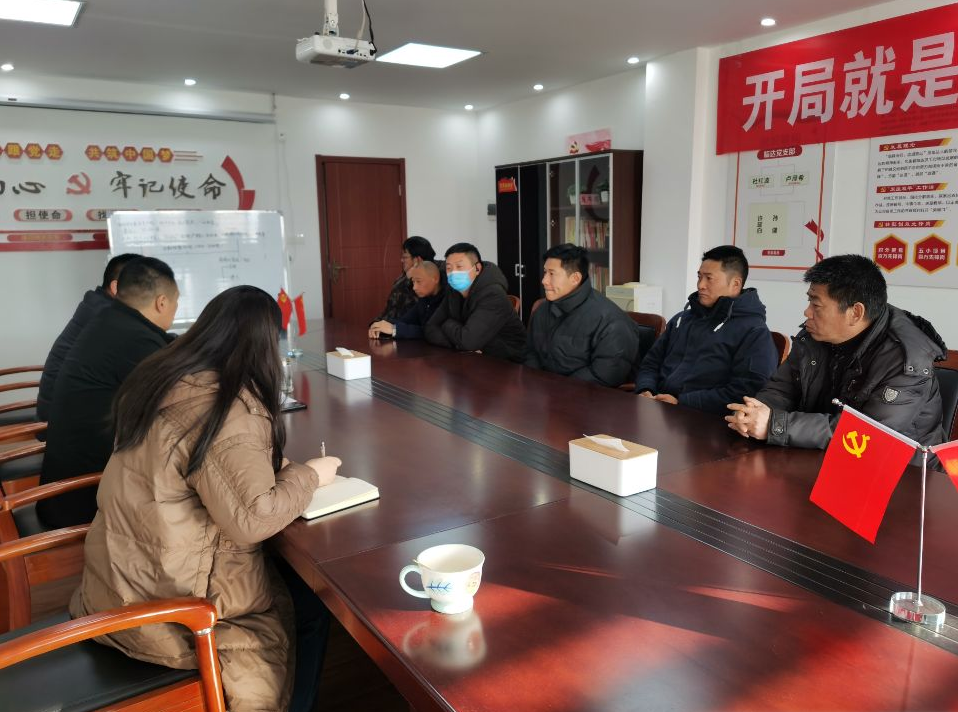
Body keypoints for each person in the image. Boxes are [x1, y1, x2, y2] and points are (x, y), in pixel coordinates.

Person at [70, 285, 339, 712]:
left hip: (119, 584)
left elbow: (205, 468)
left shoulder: (163, 379)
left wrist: (268, 468)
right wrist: (310, 476)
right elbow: (253, 519)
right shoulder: (224, 406)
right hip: (171, 616)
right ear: (265, 344)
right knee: (312, 602)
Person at [726, 254, 946, 452]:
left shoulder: (906, 360)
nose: (807, 312)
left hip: (905, 471)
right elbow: (782, 389)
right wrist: (754, 413)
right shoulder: (814, 336)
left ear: (855, 313)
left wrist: (775, 425)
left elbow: (870, 435)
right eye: (809, 301)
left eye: (816, 305)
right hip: (821, 455)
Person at [37, 256, 179, 528]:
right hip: (85, 499)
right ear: (162, 302)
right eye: (176, 302)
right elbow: (178, 402)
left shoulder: (111, 320)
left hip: (68, 488)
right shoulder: (135, 339)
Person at [634, 245, 778, 414]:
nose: (700, 285)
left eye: (709, 278)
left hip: (703, 417)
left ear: (735, 284)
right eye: (699, 277)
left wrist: (682, 402)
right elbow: (651, 363)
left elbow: (747, 392)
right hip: (658, 408)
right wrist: (646, 389)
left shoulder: (754, 332)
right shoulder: (682, 319)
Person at [37, 252, 140, 421]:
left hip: (63, 407)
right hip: (65, 421)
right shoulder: (105, 315)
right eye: (145, 286)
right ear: (116, 288)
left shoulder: (99, 305)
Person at [526, 243, 641, 387]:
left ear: (575, 278)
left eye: (552, 274)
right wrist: (536, 382)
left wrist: (556, 387)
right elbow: (531, 352)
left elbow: (604, 376)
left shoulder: (612, 322)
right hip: (544, 391)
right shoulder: (542, 310)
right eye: (545, 272)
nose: (544, 281)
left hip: (586, 396)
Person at [424, 242, 526, 362]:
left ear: (477, 268)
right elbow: (430, 328)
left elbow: (468, 341)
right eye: (449, 268)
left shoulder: (493, 295)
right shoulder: (454, 291)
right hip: (474, 358)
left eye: (459, 267)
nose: (453, 273)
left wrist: (446, 323)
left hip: (509, 362)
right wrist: (459, 344)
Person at [369, 260, 444, 339]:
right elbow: (405, 320)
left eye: (418, 281)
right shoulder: (424, 299)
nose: (414, 287)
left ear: (435, 279)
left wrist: (395, 329)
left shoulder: (447, 298)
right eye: (413, 282)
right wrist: (381, 325)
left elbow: (430, 331)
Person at [371, 235, 436, 323]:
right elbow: (389, 309)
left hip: (403, 328)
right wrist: (376, 323)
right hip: (389, 325)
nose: (401, 260)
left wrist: (411, 279)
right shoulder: (403, 277)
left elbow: (414, 316)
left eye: (405, 257)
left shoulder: (429, 281)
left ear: (417, 260)